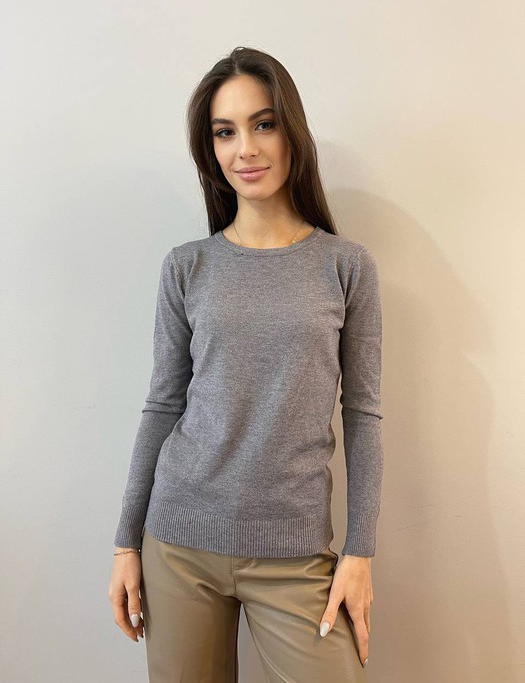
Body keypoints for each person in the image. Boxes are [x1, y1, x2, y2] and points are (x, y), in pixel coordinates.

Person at [108, 46, 384, 683]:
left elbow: (363, 414)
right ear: (210, 150)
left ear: (292, 133)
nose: (246, 149)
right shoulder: (188, 266)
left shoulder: (345, 266)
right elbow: (163, 404)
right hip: (179, 539)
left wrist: (360, 551)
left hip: (294, 554)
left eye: (264, 124)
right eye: (224, 132)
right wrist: (126, 541)